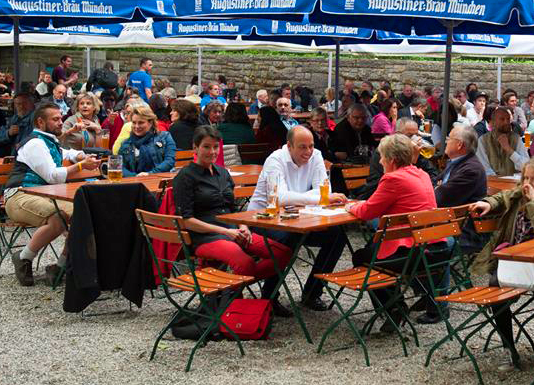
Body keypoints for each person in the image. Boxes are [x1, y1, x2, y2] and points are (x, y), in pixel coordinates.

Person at [469, 156, 534, 371]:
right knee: (495, 284)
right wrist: (488, 202)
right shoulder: (520, 195)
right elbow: (505, 195)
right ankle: (509, 348)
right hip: (515, 261)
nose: (527, 183)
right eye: (525, 177)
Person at [173, 125, 292, 284]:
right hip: (205, 237)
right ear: (195, 148)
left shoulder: (223, 173)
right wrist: (226, 231)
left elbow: (234, 209)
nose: (213, 152)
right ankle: (229, 301)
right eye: (206, 147)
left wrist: (243, 226)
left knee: (283, 254)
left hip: (233, 231)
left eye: (216, 147)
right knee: (245, 263)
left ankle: (227, 291)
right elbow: (186, 220)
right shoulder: (185, 176)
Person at [250, 126, 349, 313]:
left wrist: (310, 196)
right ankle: (269, 296)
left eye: (311, 146)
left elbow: (323, 190)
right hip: (262, 220)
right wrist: (317, 197)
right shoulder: (275, 160)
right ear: (289, 146)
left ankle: (313, 292)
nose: (308, 151)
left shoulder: (316, 155)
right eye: (302, 147)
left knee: (337, 235)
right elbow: (281, 197)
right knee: (290, 238)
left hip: (299, 219)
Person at [346, 133, 438, 327]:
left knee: (361, 257)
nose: (379, 161)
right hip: (430, 248)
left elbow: (365, 212)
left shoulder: (393, 179)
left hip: (407, 254)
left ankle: (394, 309)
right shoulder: (422, 174)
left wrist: (349, 206)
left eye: (381, 156)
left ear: (392, 160)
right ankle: (395, 307)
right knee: (370, 250)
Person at [5, 103, 101, 285]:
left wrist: (79, 156)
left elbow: (66, 152)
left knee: (85, 214)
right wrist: (81, 166)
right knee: (59, 217)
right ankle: (23, 258)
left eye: (61, 118)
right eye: (55, 119)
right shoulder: (34, 143)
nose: (60, 122)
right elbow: (52, 177)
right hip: (18, 195)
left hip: (45, 195)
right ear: (40, 122)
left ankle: (60, 266)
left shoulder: (49, 141)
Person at [354, 118, 440, 200]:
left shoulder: (415, 149)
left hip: (404, 196)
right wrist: (413, 159)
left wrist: (429, 186)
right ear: (398, 134)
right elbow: (400, 179)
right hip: (379, 193)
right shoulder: (386, 150)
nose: (415, 139)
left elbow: (433, 172)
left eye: (417, 135)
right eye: (410, 135)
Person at [117, 106, 176, 177]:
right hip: (134, 183)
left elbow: (169, 161)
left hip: (159, 180)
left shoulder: (165, 137)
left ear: (150, 123)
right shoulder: (126, 143)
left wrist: (150, 174)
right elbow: (119, 167)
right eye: (134, 123)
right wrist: (135, 177)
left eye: (141, 123)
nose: (137, 126)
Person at [477, 107, 529, 176]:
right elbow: (484, 168)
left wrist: (509, 150)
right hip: (492, 183)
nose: (506, 122)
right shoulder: (483, 140)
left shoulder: (516, 139)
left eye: (508, 119)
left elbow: (526, 166)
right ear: (493, 122)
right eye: (502, 119)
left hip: (513, 182)